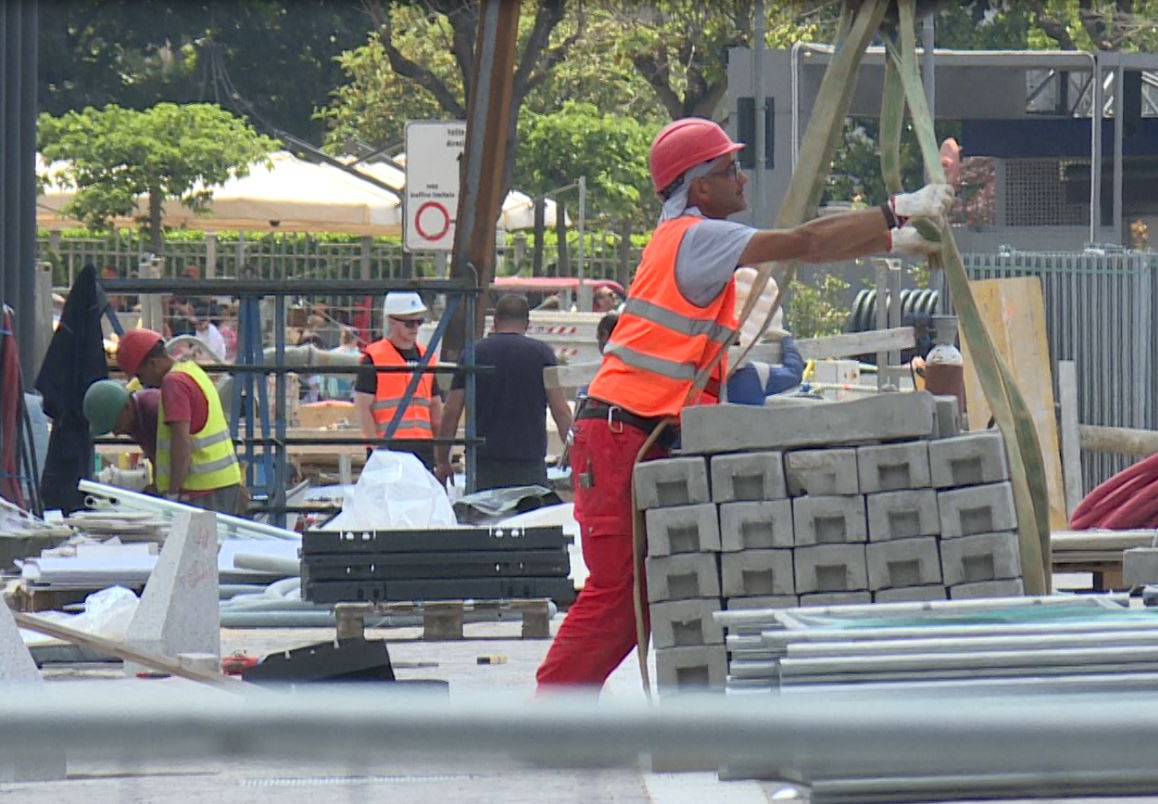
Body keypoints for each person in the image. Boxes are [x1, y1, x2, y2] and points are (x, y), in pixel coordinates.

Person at [533, 116, 951, 689]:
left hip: (629, 436)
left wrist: (890, 241)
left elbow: (807, 249)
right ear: (700, 187)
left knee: (637, 596)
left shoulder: (688, 238)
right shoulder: (699, 237)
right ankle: (548, 720)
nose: (743, 179)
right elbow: (802, 242)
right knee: (617, 597)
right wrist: (896, 211)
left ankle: (558, 721)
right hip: (621, 439)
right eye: (731, 170)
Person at [439, 294, 575, 492]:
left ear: (494, 321)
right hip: (529, 464)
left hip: (484, 465)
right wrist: (574, 456)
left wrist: (443, 460)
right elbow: (560, 410)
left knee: (484, 519)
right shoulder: (542, 354)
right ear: (527, 323)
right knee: (531, 520)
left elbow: (451, 410)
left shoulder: (473, 353)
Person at [112, 328, 247, 515]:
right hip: (221, 485)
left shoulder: (173, 383)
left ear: (153, 364)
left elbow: (182, 443)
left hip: (202, 491)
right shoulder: (192, 371)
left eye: (141, 376)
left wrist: (172, 494)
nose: (144, 384)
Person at [353, 291, 448, 475]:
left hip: (423, 447)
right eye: (409, 323)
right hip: (389, 449)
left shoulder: (426, 357)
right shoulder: (374, 358)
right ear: (392, 321)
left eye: (419, 322)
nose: (415, 328)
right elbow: (363, 408)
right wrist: (377, 448)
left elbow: (435, 406)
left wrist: (440, 450)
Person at [725, 267, 805, 405]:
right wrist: (787, 341)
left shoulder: (705, 371)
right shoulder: (751, 375)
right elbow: (793, 373)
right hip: (746, 425)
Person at [83, 381, 163, 468]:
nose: (116, 433)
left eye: (116, 426)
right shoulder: (136, 418)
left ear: (127, 407)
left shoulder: (154, 412)